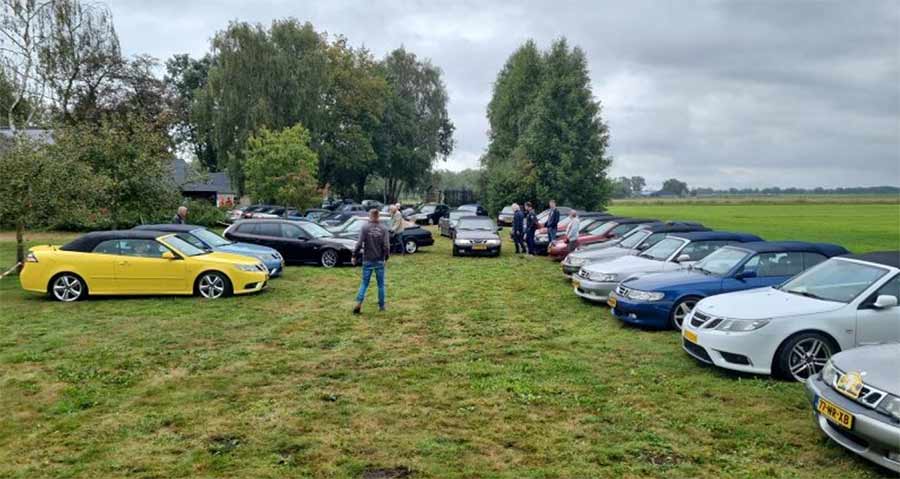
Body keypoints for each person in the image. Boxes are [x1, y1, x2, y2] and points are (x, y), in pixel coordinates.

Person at [352, 209, 390, 314]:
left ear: (370, 216)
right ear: (378, 217)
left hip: (367, 259)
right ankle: (382, 306)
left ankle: (358, 303)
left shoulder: (365, 228)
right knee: (381, 285)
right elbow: (386, 246)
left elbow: (359, 243)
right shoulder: (384, 229)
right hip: (379, 260)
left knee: (364, 283)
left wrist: (354, 255)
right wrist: (386, 258)